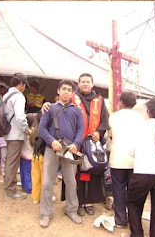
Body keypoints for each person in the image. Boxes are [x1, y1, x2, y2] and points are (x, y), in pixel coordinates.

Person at [38, 80, 85, 228]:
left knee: (71, 181)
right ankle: (45, 213)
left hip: (69, 150)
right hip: (52, 149)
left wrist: (76, 144)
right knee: (47, 182)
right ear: (58, 91)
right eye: (63, 89)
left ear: (72, 93)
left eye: (69, 90)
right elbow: (42, 129)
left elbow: (80, 130)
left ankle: (71, 210)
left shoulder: (77, 111)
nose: (66, 92)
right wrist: (52, 141)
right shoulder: (49, 108)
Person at [126, 97, 155, 237]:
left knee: (134, 204)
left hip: (142, 174)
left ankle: (137, 234)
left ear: (148, 111)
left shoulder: (140, 127)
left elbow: (131, 151)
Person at [69, 73, 109, 217]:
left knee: (91, 171)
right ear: (78, 84)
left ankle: (89, 202)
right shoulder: (71, 98)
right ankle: (77, 202)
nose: (85, 84)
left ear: (92, 84)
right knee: (76, 173)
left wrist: (99, 131)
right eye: (82, 82)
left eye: (88, 82)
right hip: (75, 143)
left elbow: (104, 118)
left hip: (92, 143)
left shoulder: (99, 100)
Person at [108, 91, 144, 229]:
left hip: (117, 159)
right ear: (134, 103)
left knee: (118, 189)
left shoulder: (114, 117)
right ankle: (135, 221)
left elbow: (110, 134)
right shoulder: (141, 118)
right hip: (136, 160)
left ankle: (121, 220)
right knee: (134, 192)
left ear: (121, 102)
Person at [2, 73, 31, 200]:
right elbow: (20, 117)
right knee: (13, 162)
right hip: (15, 133)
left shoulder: (7, 95)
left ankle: (9, 184)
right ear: (21, 84)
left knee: (10, 160)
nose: (24, 88)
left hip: (7, 131)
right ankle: (10, 190)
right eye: (25, 85)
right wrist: (27, 130)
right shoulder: (19, 96)